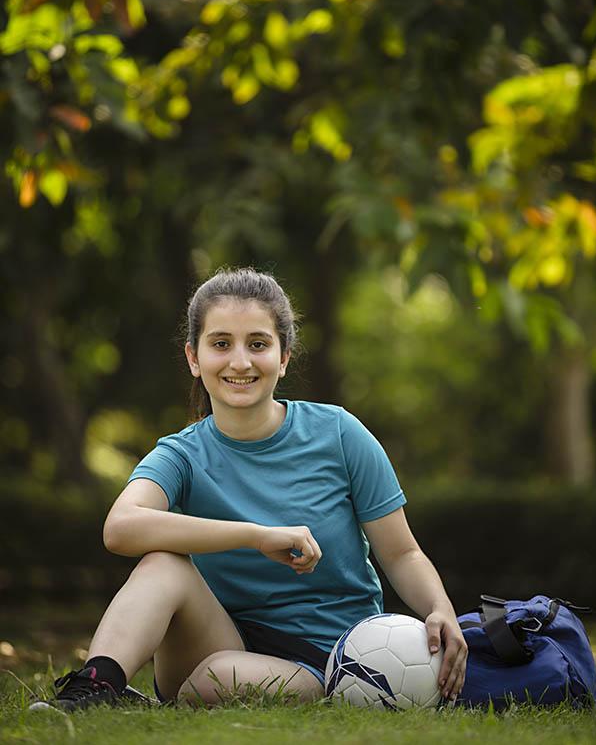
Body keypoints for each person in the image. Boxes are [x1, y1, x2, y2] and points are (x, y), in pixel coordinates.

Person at [30, 268, 467, 712]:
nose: (240, 361)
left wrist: (440, 607)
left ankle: (170, 701)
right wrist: (255, 535)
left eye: (258, 344)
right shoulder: (181, 454)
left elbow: (401, 553)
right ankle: (94, 689)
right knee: (163, 564)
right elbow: (121, 528)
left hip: (329, 656)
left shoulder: (339, 433)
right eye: (221, 344)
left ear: (283, 357)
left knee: (215, 679)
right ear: (194, 358)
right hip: (214, 638)